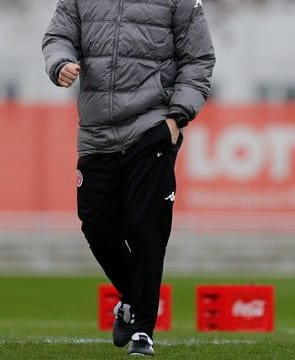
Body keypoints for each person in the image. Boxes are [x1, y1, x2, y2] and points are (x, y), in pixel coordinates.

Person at [42, 0, 215, 356]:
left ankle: (143, 331)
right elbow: (58, 35)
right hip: (96, 134)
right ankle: (134, 300)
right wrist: (59, 63)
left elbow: (198, 59)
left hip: (151, 127)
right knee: (96, 225)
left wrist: (176, 118)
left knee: (145, 228)